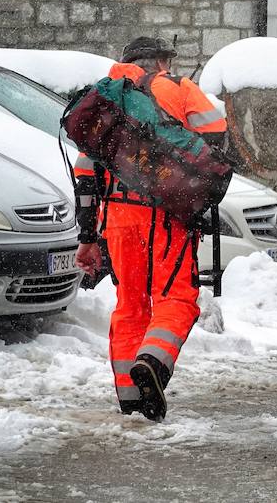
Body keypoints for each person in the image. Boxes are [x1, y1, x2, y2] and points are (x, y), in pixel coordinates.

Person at [72, 36, 228, 422]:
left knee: (130, 305)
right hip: (164, 215)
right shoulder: (176, 87)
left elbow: (85, 175)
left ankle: (130, 397)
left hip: (116, 219)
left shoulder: (104, 100)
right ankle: (154, 364)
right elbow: (217, 137)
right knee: (177, 298)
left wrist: (88, 237)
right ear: (159, 62)